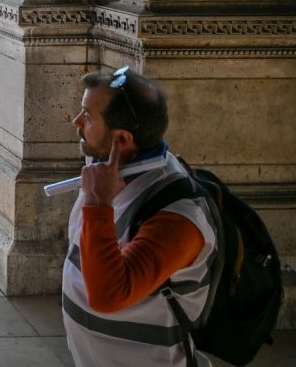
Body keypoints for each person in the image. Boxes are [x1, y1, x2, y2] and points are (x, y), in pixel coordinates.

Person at [63, 66, 219, 366]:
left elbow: (109, 295)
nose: (76, 121)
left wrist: (97, 203)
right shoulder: (108, 164)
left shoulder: (178, 217)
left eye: (88, 115)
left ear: (122, 140)